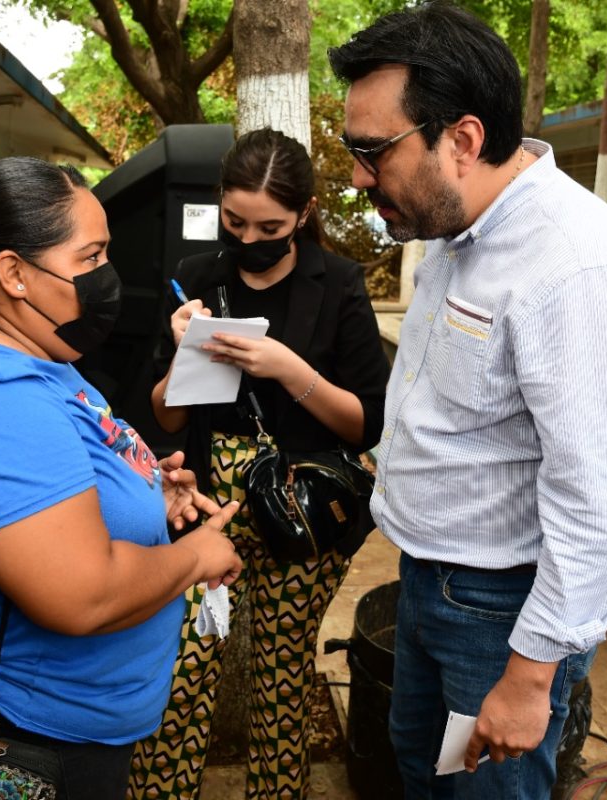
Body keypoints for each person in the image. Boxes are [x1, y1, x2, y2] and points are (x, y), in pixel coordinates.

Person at [328, 5, 607, 798]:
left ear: (464, 141)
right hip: (428, 579)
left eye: (371, 152)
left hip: (500, 611)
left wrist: (528, 676)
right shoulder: (456, 229)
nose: (355, 177)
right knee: (421, 769)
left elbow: (599, 505)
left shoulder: (576, 267)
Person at [0, 157, 243, 798]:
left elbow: (59, 480)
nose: (109, 277)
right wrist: (194, 556)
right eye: (92, 257)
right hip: (36, 737)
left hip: (80, 723)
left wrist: (142, 492)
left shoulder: (38, 353)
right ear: (14, 273)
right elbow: (83, 596)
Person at [129, 128, 390, 799]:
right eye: (234, 222)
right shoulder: (200, 277)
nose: (248, 240)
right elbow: (163, 416)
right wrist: (181, 355)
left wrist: (288, 368)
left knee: (279, 680)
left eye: (269, 226)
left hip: (303, 511)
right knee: (180, 671)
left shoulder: (336, 284)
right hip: (209, 504)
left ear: (303, 214)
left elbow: (367, 421)